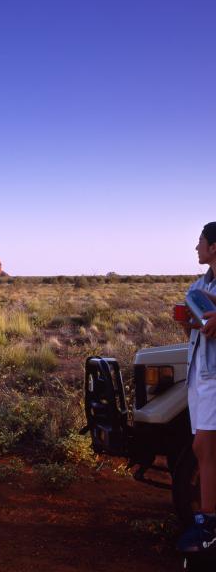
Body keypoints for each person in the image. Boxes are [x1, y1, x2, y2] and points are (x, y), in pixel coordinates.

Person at [178, 222, 216, 553]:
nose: (196, 248)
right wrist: (190, 321)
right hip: (201, 373)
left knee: (205, 448)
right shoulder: (200, 286)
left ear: (214, 247)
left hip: (214, 378)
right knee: (202, 448)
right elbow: (198, 321)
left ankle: (209, 526)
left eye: (200, 242)